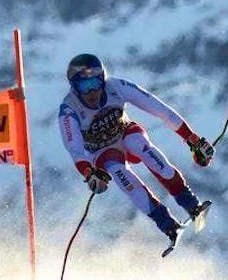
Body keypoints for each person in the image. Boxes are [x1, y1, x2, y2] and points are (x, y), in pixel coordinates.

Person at [58, 52, 214, 248]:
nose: (91, 92)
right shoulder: (69, 109)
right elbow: (75, 150)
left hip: (125, 133)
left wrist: (193, 140)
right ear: (74, 87)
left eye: (95, 83)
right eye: (84, 86)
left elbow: (161, 110)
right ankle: (168, 225)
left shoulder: (116, 86)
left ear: (103, 79)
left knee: (138, 144)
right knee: (119, 173)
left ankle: (191, 204)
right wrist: (90, 174)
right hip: (102, 152)